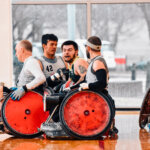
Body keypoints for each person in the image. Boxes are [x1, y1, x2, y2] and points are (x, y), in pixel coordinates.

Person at [0, 40, 46, 129]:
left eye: (16, 51)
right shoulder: (28, 63)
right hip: (25, 96)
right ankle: (4, 118)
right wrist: (18, 88)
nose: (16, 54)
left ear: (22, 50)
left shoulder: (31, 62)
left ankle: (4, 119)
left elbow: (41, 78)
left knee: (0, 89)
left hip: (28, 98)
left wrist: (24, 88)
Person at [79, 36, 118, 133]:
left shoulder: (97, 62)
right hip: (97, 98)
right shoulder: (95, 61)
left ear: (88, 48)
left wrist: (88, 86)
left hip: (98, 100)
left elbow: (102, 83)